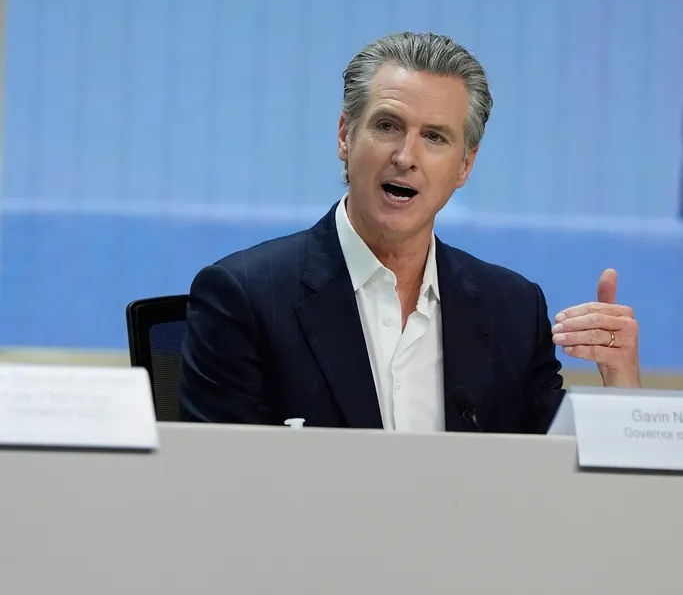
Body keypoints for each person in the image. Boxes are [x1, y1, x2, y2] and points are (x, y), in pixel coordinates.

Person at [178, 31, 640, 433]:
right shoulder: (246, 298)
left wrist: (622, 386)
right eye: (387, 126)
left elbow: (561, 488)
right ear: (345, 136)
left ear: (465, 165)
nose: (405, 156)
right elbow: (220, 491)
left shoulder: (513, 309)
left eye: (435, 137)